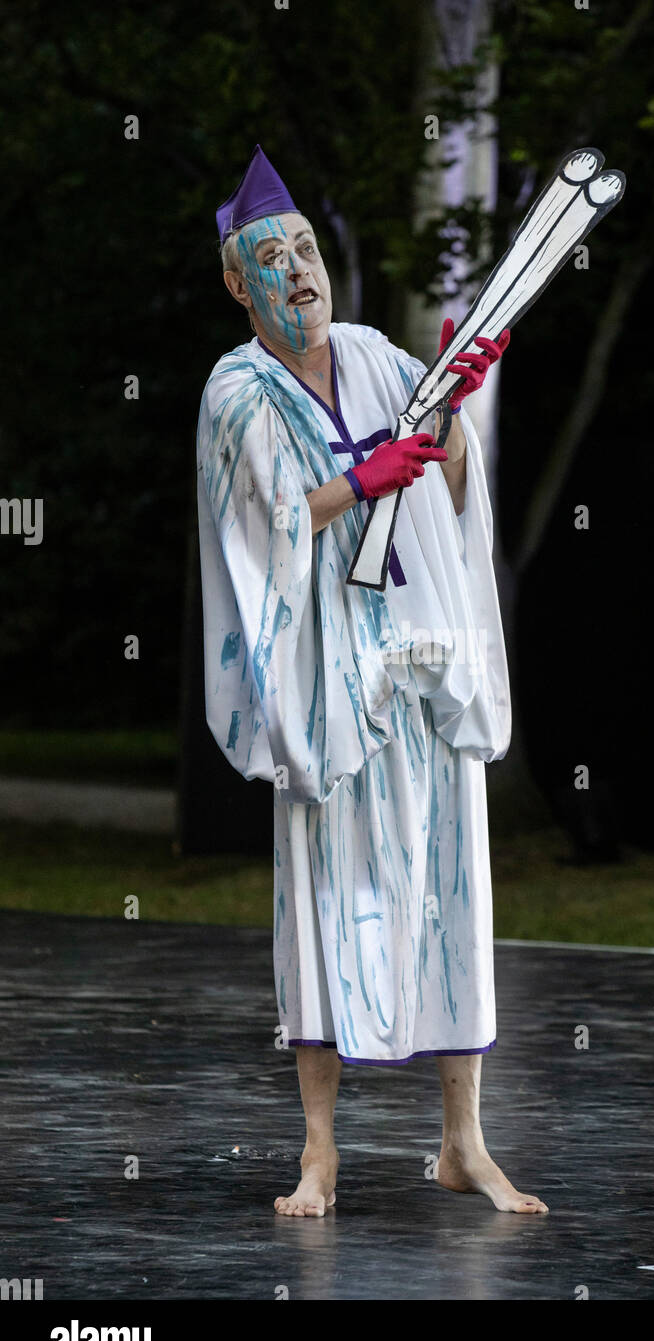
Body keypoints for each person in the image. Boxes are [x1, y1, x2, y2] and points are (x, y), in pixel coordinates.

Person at [196, 145, 547, 1216]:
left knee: (450, 892)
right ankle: (318, 1151)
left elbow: (441, 467)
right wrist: (353, 481)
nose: (298, 270)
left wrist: (444, 411)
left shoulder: (373, 354)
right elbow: (259, 524)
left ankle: (462, 1143)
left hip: (421, 665)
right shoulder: (236, 387)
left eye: (305, 248)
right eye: (272, 258)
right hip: (327, 685)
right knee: (324, 901)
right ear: (237, 283)